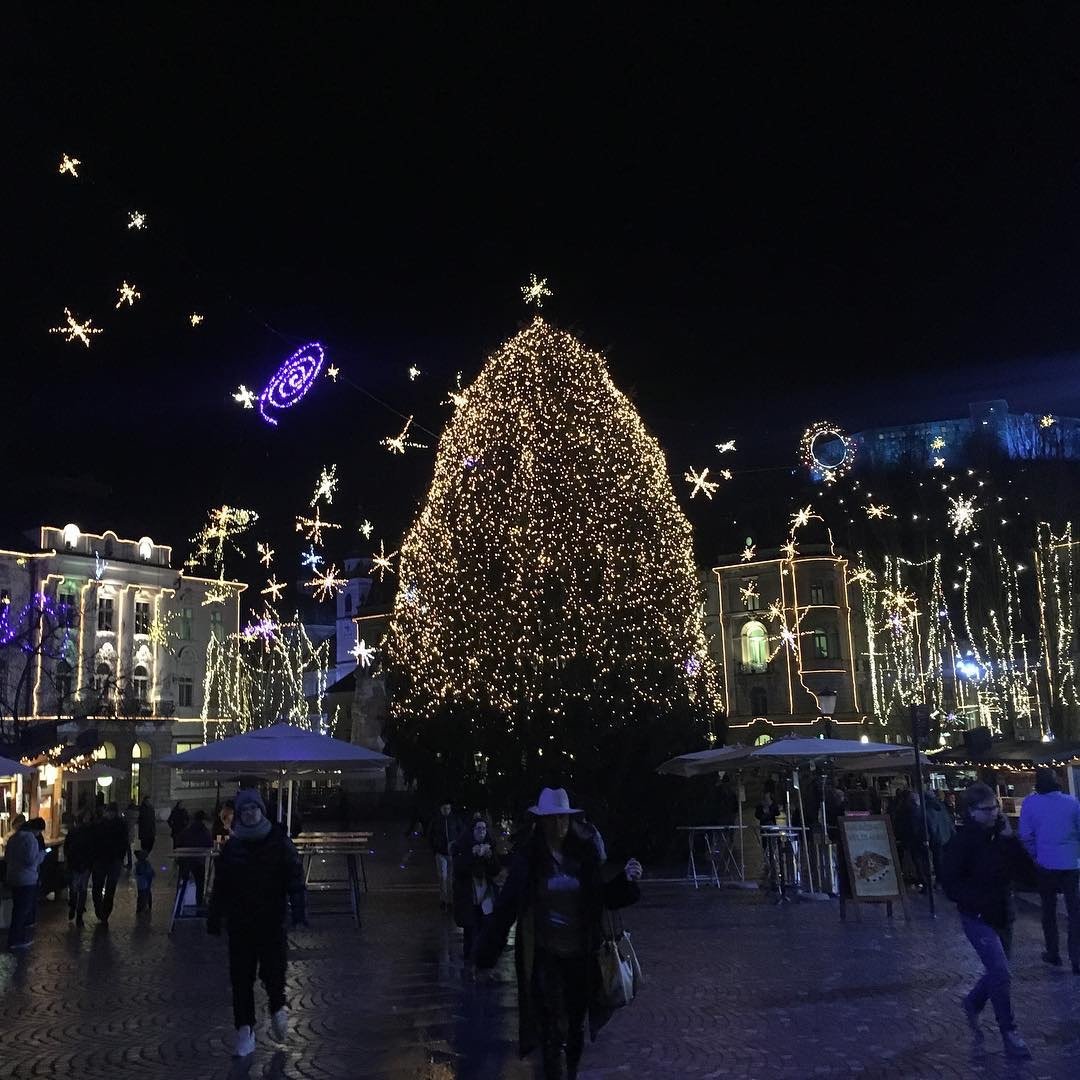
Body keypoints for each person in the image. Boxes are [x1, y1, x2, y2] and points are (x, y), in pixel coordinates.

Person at [475, 787, 642, 1080]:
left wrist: (626, 881)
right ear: (541, 822)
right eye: (552, 819)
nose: (559, 826)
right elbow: (505, 909)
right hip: (546, 956)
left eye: (563, 819)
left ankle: (572, 1072)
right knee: (552, 1028)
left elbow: (602, 898)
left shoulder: (584, 855)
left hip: (581, 955)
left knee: (576, 1026)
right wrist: (486, 956)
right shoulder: (529, 860)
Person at [207, 789, 306, 1059]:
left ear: (261, 811)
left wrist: (299, 911)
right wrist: (214, 916)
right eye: (245, 809)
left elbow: (294, 877)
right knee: (240, 978)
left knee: (274, 972)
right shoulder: (232, 847)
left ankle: (277, 1008)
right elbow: (221, 885)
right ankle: (245, 1030)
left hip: (271, 921)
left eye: (254, 808)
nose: (250, 813)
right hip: (240, 923)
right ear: (239, 815)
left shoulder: (279, 841)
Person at [940, 782, 1033, 1060]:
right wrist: (975, 900)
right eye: (987, 809)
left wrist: (1010, 840)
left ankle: (973, 1002)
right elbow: (950, 883)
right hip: (977, 916)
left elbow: (1027, 874)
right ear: (971, 811)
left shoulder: (1002, 837)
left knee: (999, 971)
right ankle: (1010, 1033)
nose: (994, 813)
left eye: (995, 808)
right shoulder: (961, 842)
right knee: (1001, 972)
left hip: (1004, 912)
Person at [1018, 766, 1080, 973]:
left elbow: (1025, 834)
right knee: (1074, 912)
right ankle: (1077, 958)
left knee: (1048, 910)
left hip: (1045, 863)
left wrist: (1035, 854)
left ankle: (1053, 952)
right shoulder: (1071, 803)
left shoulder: (1030, 804)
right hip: (1071, 863)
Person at [452, 818, 501, 975]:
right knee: (471, 930)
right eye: (478, 828)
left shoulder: (490, 846)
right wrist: (472, 855)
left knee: (485, 928)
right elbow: (459, 869)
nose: (481, 832)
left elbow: (496, 870)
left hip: (486, 896)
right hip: (469, 896)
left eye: (484, 829)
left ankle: (483, 963)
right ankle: (469, 964)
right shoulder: (462, 847)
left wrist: (489, 857)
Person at [5, 816, 45, 950]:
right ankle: (16, 939)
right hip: (27, 879)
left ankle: (14, 937)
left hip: (13, 877)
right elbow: (31, 860)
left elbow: (7, 857)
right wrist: (42, 855)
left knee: (17, 908)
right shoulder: (31, 839)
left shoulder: (13, 838)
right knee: (22, 910)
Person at [91, 802, 128, 925]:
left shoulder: (103, 824)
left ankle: (104, 912)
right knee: (103, 887)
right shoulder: (102, 824)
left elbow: (124, 842)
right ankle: (103, 912)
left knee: (106, 888)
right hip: (105, 860)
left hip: (109, 860)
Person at [429, 800, 464, 912]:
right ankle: (444, 900)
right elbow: (430, 834)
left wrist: (457, 846)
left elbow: (462, 832)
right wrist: (435, 848)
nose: (446, 811)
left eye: (448, 808)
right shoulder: (436, 820)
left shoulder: (455, 819)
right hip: (441, 853)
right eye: (444, 809)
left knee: (450, 879)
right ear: (441, 809)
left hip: (452, 853)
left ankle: (450, 901)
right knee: (442, 877)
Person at [177, 809, 214, 907]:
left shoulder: (187, 830)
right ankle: (199, 903)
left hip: (186, 861)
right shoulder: (205, 831)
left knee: (183, 881)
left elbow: (179, 842)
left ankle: (180, 901)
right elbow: (209, 844)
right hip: (198, 861)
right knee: (200, 884)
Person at [64, 810, 94, 927]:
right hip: (82, 864)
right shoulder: (87, 832)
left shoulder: (74, 832)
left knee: (76, 889)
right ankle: (78, 913)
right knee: (81, 890)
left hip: (78, 864)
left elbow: (67, 848)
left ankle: (75, 909)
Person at [923, 789, 956, 885]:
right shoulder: (941, 806)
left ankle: (940, 880)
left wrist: (928, 838)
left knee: (938, 860)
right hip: (947, 836)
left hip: (937, 838)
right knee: (946, 859)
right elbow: (949, 822)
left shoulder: (927, 809)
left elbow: (930, 825)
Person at [122, 800, 138, 869]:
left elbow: (124, 823)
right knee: (129, 850)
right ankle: (130, 863)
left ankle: (126, 863)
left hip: (126, 833)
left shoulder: (127, 814)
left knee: (124, 849)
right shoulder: (136, 814)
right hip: (132, 833)